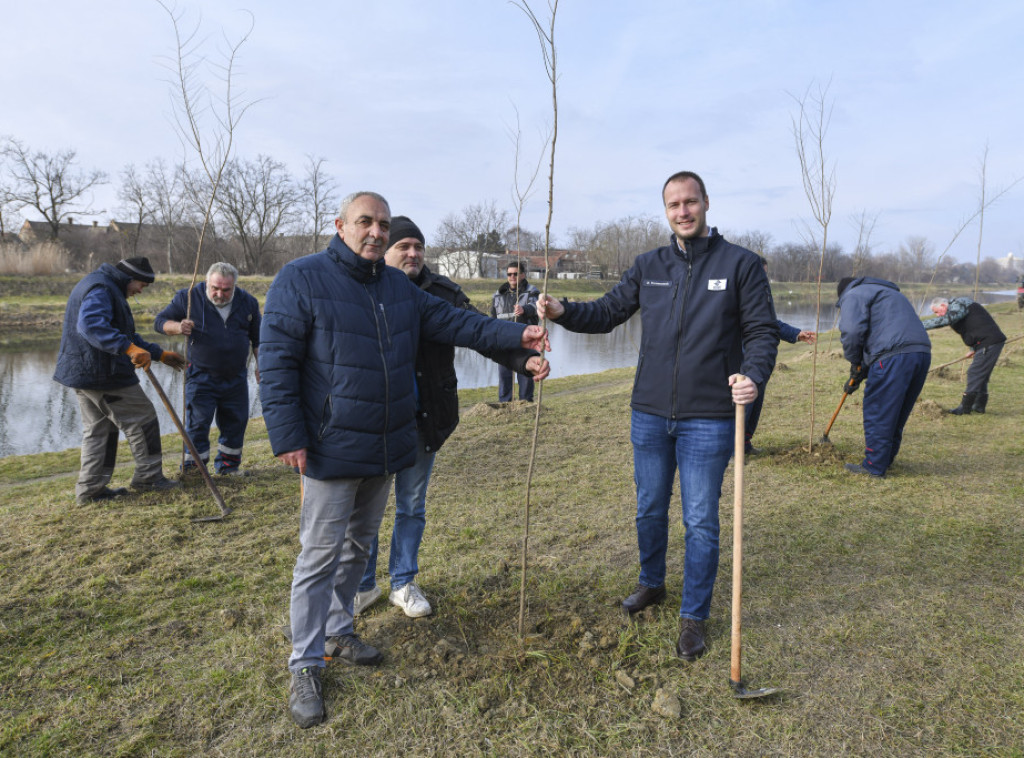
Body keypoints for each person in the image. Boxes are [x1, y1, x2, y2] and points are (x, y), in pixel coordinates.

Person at [259, 191, 549, 729]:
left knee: (356, 548)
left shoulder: (398, 288)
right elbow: (275, 364)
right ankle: (304, 663)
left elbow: (462, 325)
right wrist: (287, 436)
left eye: (383, 224)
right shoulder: (300, 279)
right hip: (327, 446)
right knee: (318, 556)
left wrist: (519, 338)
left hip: (385, 444)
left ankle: (340, 632)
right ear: (340, 224)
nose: (375, 231)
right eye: (365, 222)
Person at [537, 171, 778, 663]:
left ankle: (694, 616)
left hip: (710, 417)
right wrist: (563, 310)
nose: (683, 211)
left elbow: (761, 332)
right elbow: (607, 313)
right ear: (665, 210)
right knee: (649, 509)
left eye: (691, 202)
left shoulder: (742, 265)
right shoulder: (649, 265)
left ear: (706, 203)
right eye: (673, 204)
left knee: (700, 521)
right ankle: (652, 583)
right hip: (648, 414)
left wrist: (753, 374)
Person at [354, 217, 549, 619]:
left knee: (411, 503)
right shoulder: (362, 291)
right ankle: (361, 585)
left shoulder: (442, 292)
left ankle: (403, 582)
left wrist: (522, 358)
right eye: (404, 246)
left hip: (425, 418)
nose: (413, 254)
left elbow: (480, 332)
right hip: (374, 423)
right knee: (366, 509)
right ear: (385, 249)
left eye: (418, 247)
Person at [53, 256, 186, 504]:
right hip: (104, 374)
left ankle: (91, 490)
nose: (139, 291)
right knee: (142, 418)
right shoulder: (103, 289)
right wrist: (127, 348)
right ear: (130, 278)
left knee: (99, 430)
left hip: (83, 373)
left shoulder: (103, 285)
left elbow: (126, 333)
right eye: (141, 285)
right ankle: (149, 478)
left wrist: (159, 354)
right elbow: (91, 325)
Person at [154, 262, 262, 474]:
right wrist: (178, 327)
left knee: (236, 423)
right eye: (215, 288)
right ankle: (195, 471)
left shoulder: (248, 302)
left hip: (236, 377)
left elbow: (258, 340)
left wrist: (262, 366)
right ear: (206, 283)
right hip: (201, 376)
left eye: (225, 289)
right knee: (197, 424)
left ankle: (229, 468)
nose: (219, 294)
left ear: (234, 286)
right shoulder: (188, 298)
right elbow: (159, 322)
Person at [836, 276, 931, 477]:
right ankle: (885, 459)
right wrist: (861, 372)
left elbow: (852, 332)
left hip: (893, 355)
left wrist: (855, 362)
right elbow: (884, 331)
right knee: (897, 411)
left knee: (878, 410)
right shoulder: (890, 293)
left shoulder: (853, 294)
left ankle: (874, 466)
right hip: (921, 353)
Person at [744, 256, 817, 454]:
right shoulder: (740, 294)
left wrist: (796, 334)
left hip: (760, 358)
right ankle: (734, 447)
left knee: (756, 400)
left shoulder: (761, 295)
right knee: (746, 400)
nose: (764, 279)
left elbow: (770, 322)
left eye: (766, 275)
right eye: (762, 274)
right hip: (744, 356)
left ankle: (745, 443)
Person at [922, 296, 1005, 415]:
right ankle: (979, 406)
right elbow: (970, 327)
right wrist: (973, 347)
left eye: (937, 312)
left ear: (943, 306)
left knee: (974, 372)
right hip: (983, 343)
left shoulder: (958, 305)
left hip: (989, 341)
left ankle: (965, 407)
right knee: (981, 374)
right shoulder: (958, 308)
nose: (938, 315)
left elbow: (948, 319)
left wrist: (920, 324)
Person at [491, 261, 541, 401]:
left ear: (523, 275)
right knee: (504, 376)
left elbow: (537, 306)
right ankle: (505, 406)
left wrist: (525, 310)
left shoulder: (532, 291)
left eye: (515, 274)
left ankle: (525, 405)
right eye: (509, 274)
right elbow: (492, 319)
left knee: (525, 375)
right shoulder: (498, 295)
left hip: (525, 342)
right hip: (504, 342)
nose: (512, 277)